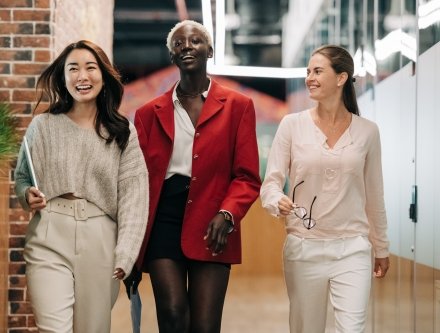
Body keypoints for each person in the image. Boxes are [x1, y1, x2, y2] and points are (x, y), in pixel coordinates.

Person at [132, 20, 261, 333]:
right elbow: (135, 179)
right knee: (173, 314)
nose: (186, 46)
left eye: (195, 41)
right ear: (173, 57)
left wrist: (227, 214)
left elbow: (247, 176)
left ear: (210, 50)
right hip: (163, 218)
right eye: (178, 43)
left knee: (204, 326)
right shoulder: (148, 113)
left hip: (213, 221)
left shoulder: (238, 106)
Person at [14, 40, 149, 333]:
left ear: (103, 75)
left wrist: (126, 253)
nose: (81, 76)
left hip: (101, 240)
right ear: (63, 77)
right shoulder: (42, 126)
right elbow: (23, 177)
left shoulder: (122, 132)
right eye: (72, 69)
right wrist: (27, 195)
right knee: (53, 329)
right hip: (49, 232)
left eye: (90, 68)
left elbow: (134, 199)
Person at [260, 45, 390, 333]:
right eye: (308, 72)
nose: (310, 78)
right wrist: (276, 200)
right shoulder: (291, 125)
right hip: (303, 249)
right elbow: (270, 183)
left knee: (352, 329)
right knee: (307, 329)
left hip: (353, 249)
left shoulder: (368, 132)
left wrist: (380, 246)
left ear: (341, 78)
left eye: (318, 71)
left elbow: (374, 194)